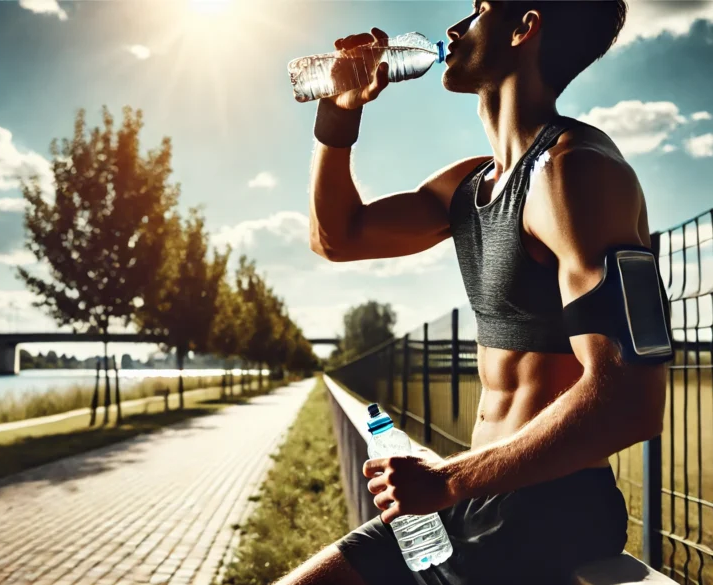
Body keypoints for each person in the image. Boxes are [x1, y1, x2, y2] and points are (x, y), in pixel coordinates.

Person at [280, 2, 672, 584]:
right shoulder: (471, 184)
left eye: (480, 8)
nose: (455, 28)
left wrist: (447, 480)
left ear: (524, 28)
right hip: (465, 494)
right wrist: (339, 115)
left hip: (547, 511)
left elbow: (630, 400)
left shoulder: (579, 174)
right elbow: (337, 237)